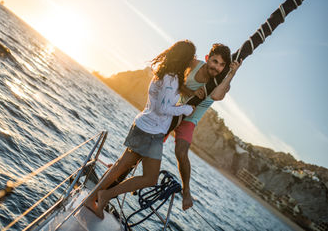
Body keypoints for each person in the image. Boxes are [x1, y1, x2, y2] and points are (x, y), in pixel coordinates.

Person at [84, 40, 196, 219]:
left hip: (142, 126)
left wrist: (186, 92)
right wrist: (186, 109)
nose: (193, 60)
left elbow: (163, 100)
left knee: (120, 167)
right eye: (192, 57)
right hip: (151, 134)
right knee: (150, 178)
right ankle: (105, 196)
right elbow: (162, 109)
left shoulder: (163, 74)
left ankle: (91, 198)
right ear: (185, 58)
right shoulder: (172, 79)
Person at [173, 43, 242, 210]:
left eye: (222, 65)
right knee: (152, 141)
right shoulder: (194, 65)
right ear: (207, 58)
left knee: (181, 151)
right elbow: (176, 77)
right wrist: (190, 93)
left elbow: (217, 96)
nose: (217, 67)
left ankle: (186, 190)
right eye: (214, 61)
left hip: (190, 119)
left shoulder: (222, 82)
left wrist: (232, 73)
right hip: (173, 109)